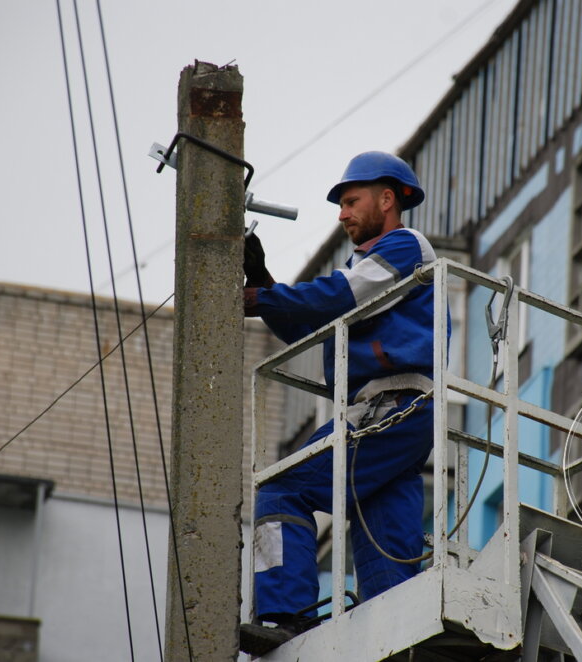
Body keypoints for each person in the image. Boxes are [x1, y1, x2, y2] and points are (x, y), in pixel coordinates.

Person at [240, 152, 445, 654]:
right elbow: (307, 325)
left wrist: (262, 298)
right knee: (383, 547)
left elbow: (339, 298)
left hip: (391, 406)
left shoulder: (403, 248)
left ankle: (285, 613)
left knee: (283, 488)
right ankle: (397, 643)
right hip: (399, 416)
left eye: (350, 201)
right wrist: (264, 283)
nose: (342, 213)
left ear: (387, 198)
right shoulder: (367, 267)